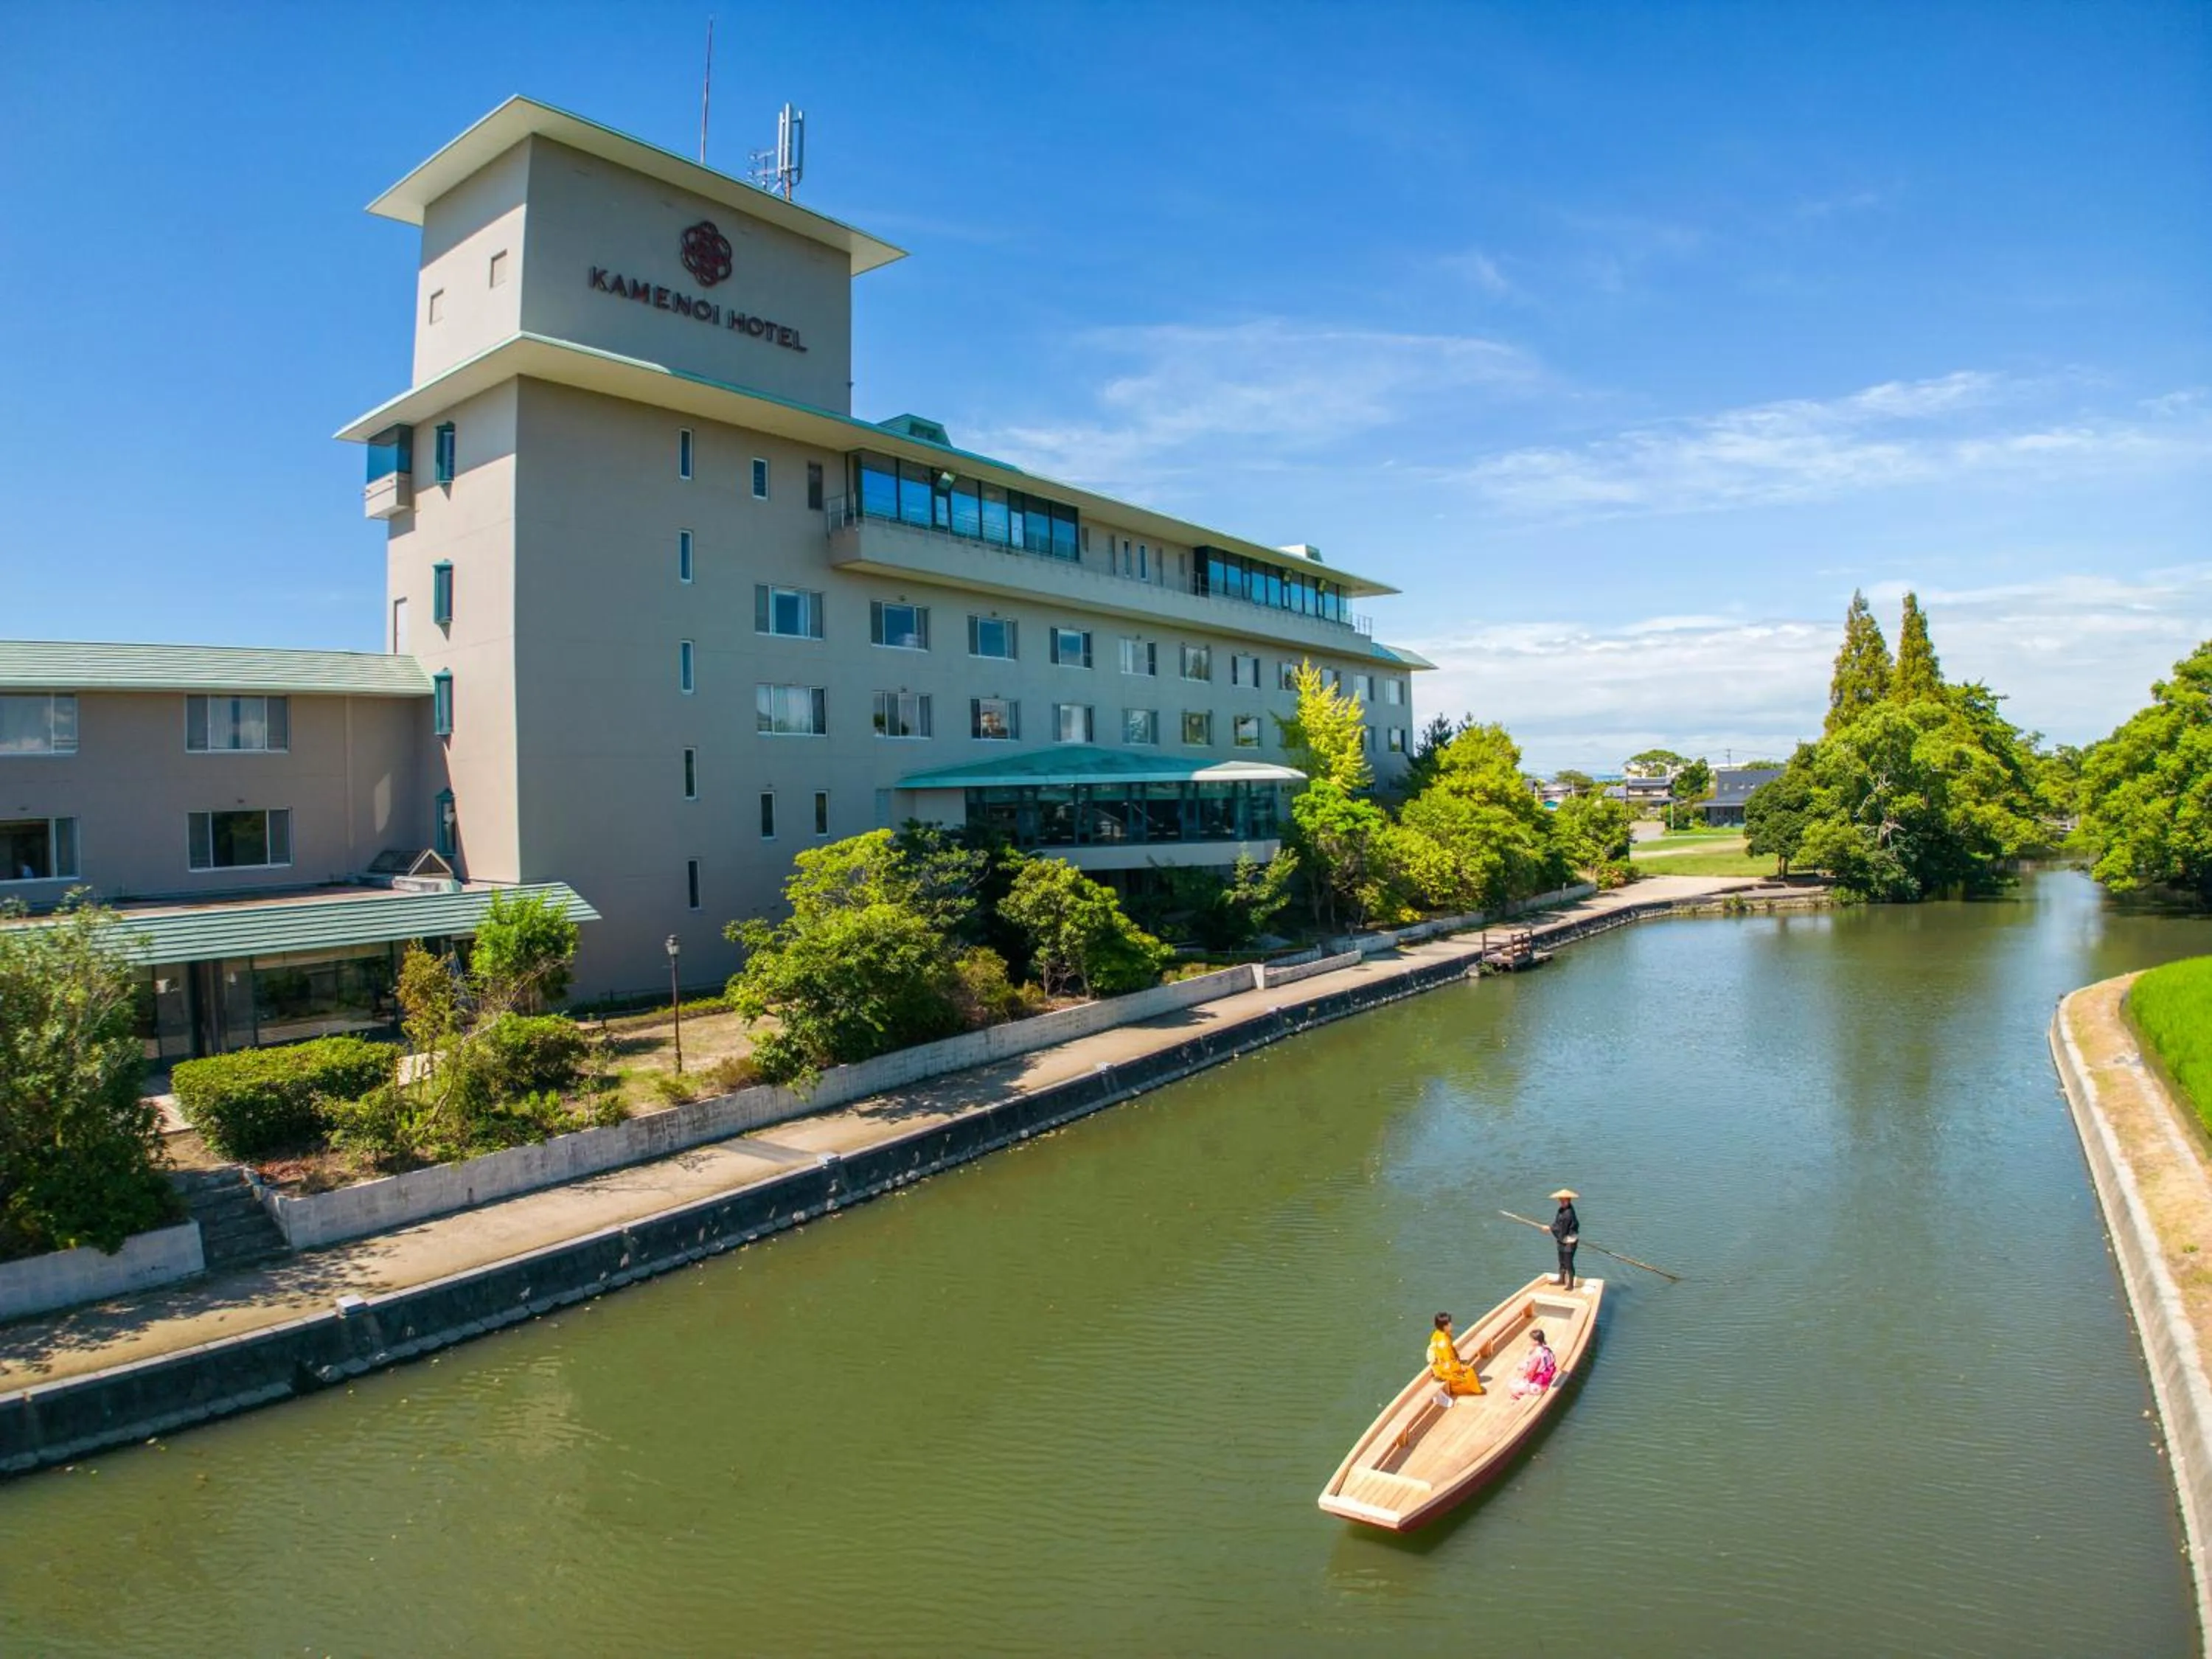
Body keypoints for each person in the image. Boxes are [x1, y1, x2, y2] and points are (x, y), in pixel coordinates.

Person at [1428, 1312, 1485, 1402]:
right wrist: (1459, 1367)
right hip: (1444, 1369)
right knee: (1469, 1373)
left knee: (1467, 1370)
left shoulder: (1437, 1334)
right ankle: (1457, 1389)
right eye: (1449, 1323)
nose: (1451, 1324)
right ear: (1445, 1326)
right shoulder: (1444, 1342)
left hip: (1439, 1365)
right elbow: (1448, 1362)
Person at [1511, 1329, 1559, 1400]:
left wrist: (1525, 1378)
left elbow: (1530, 1372)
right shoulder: (1547, 1349)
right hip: (1548, 1377)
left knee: (1512, 1385)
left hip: (1540, 1385)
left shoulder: (1537, 1354)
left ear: (1536, 1342)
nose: (1530, 1341)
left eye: (1531, 1340)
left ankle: (1519, 1396)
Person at [1550, 1188, 1581, 1289]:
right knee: (1561, 1261)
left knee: (1568, 1262)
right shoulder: (1561, 1210)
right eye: (1561, 1200)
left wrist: (1550, 1229)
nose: (1562, 1202)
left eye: (1564, 1200)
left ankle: (1571, 1284)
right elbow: (1557, 1224)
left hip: (1569, 1241)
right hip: (1562, 1239)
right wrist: (1551, 1227)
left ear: (1568, 1200)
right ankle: (1561, 1280)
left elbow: (1563, 1230)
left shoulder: (1568, 1213)